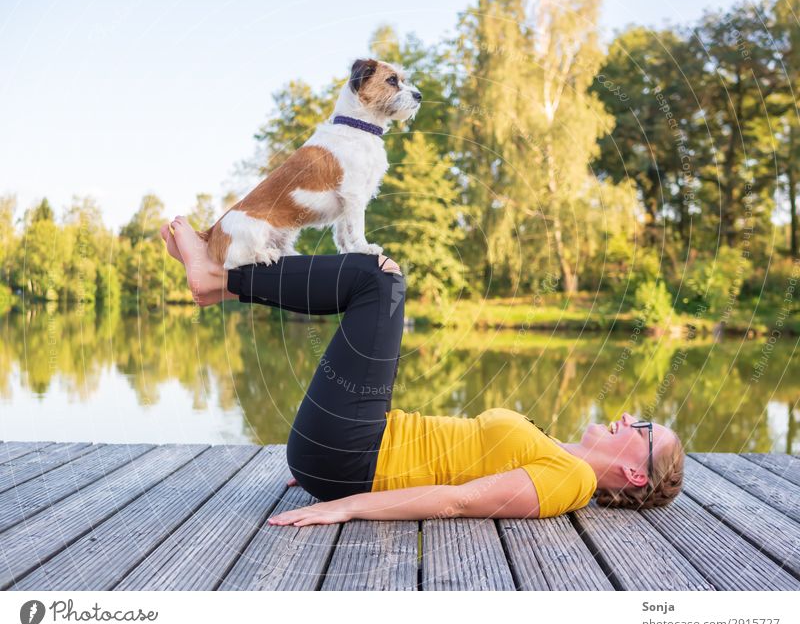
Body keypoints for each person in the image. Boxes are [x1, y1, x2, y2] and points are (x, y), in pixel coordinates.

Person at [161, 216, 685, 527]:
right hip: (350, 451)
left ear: (635, 473)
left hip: (354, 455)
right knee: (376, 282)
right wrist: (324, 472)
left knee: (380, 279)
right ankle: (218, 284)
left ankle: (218, 279)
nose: (626, 415)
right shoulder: (557, 452)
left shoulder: (570, 481)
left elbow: (459, 501)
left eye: (641, 428)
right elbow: (448, 463)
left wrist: (348, 505)